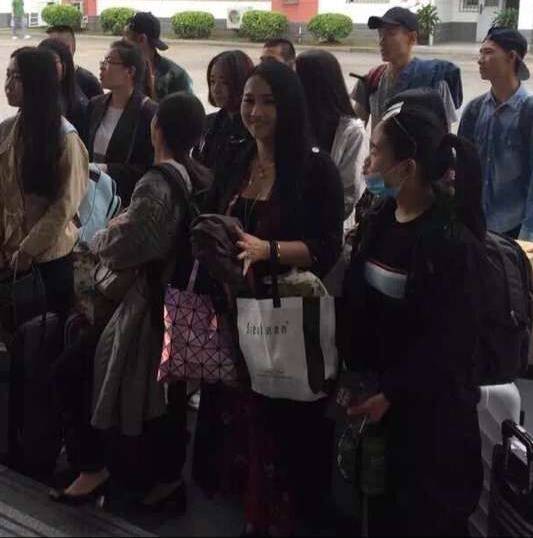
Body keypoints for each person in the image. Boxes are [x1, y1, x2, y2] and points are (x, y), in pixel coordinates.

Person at [193, 61, 344, 537]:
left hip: (284, 320)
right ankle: (250, 512)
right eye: (248, 101)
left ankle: (280, 518)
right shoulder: (236, 159)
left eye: (267, 102)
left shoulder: (315, 170)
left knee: (282, 425)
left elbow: (327, 247)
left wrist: (267, 250)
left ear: (290, 107)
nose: (254, 112)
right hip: (232, 312)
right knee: (238, 420)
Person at [52, 93, 210, 509]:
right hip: (173, 304)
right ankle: (156, 480)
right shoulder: (196, 176)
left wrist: (100, 236)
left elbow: (132, 242)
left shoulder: (158, 182)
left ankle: (93, 467)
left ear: (157, 130)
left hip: (143, 307)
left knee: (73, 370)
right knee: (158, 397)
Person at [340, 102, 486, 537]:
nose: (368, 162)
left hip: (430, 421)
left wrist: (394, 392)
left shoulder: (449, 242)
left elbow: (449, 342)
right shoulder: (380, 219)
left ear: (407, 168)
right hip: (380, 404)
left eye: (376, 151)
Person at [0, 47, 88, 316]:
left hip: (48, 261)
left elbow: (64, 207)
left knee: (44, 335)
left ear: (37, 82)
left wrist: (28, 250)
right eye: (7, 75)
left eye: (17, 77)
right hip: (6, 257)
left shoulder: (65, 138)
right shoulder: (5, 131)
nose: (8, 85)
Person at [458, 27, 533, 242]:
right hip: (476, 227)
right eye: (480, 52)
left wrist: (527, 241)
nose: (480, 60)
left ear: (511, 57)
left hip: (515, 230)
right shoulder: (474, 110)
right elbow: (463, 171)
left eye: (488, 52)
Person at [351, 7, 459, 129]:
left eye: (391, 34)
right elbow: (354, 130)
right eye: (380, 34)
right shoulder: (371, 81)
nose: (381, 41)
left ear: (412, 38)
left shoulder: (434, 82)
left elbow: (445, 133)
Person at [295, 49, 367, 228]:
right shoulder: (294, 121)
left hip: (325, 228)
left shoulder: (352, 132)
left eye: (298, 77)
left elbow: (348, 194)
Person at [83, 40, 158, 207]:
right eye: (103, 61)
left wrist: (106, 169)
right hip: (93, 196)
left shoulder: (148, 112)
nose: (102, 67)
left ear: (129, 71)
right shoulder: (95, 104)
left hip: (125, 201)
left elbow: (148, 167)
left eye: (109, 62)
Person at [195, 49, 253, 171]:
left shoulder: (252, 129)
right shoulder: (208, 123)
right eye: (212, 81)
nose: (216, 89)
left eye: (225, 82)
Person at [124, 11, 192, 101]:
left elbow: (188, 107)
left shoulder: (175, 76)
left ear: (141, 39)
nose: (122, 41)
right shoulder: (122, 69)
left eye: (127, 35)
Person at [39, 37, 90, 138]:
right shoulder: (33, 96)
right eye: (41, 60)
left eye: (52, 61)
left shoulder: (78, 104)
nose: (46, 66)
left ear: (65, 64)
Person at [46, 24, 103, 100]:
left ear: (69, 48)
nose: (47, 51)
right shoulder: (43, 78)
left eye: (52, 47)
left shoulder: (88, 81)